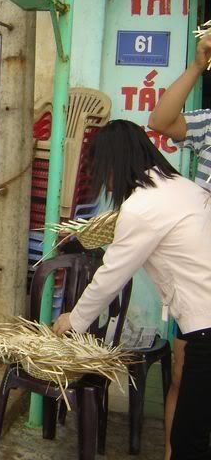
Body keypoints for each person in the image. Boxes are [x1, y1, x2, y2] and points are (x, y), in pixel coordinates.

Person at [53, 120, 211, 460]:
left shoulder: (142, 206)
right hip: (201, 323)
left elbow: (112, 274)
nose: (104, 179)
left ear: (113, 164)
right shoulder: (183, 187)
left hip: (207, 330)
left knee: (190, 442)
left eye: (101, 169)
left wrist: (74, 320)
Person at [147, 31, 211, 460]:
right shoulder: (209, 124)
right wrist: (197, 65)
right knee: (185, 373)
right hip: (201, 272)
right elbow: (161, 121)